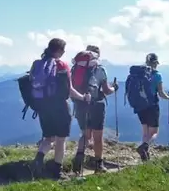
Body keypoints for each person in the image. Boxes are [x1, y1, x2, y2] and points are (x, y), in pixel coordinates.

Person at [30, 38, 91, 179]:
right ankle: (57, 171)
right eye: (63, 50)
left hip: (42, 106)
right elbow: (69, 89)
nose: (64, 53)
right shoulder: (62, 65)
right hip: (59, 106)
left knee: (48, 137)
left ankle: (38, 160)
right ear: (58, 51)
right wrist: (83, 97)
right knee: (61, 139)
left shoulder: (37, 64)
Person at [71, 45, 119, 174]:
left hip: (80, 103)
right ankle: (99, 165)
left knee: (86, 135)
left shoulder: (76, 68)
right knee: (98, 137)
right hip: (97, 105)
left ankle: (78, 161)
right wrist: (115, 88)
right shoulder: (100, 69)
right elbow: (107, 90)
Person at [135, 53, 169, 162]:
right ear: (155, 63)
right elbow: (161, 93)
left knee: (145, 132)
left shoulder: (139, 74)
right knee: (154, 132)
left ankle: (145, 156)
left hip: (140, 106)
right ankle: (144, 147)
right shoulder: (157, 75)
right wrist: (168, 97)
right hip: (152, 106)